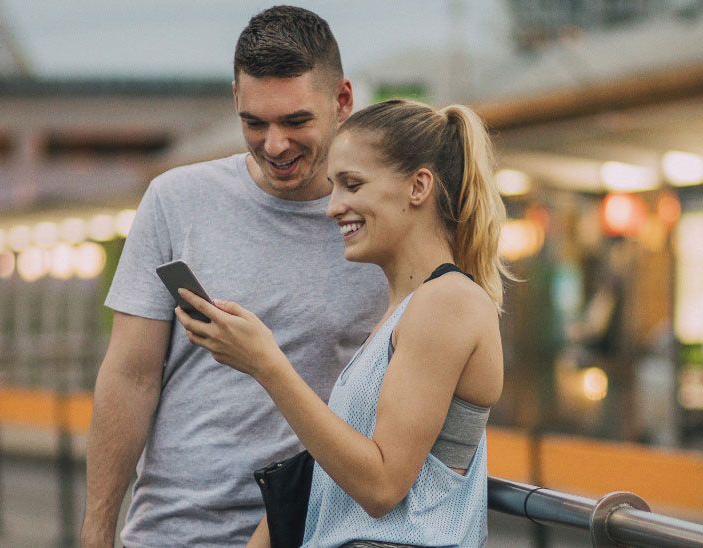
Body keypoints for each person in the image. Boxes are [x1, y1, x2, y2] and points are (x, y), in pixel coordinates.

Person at [80, 6, 387, 547]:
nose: (274, 144)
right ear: (235, 101)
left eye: (295, 121)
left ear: (342, 101)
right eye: (254, 123)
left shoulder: (381, 226)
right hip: (173, 532)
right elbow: (130, 377)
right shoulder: (175, 200)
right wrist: (97, 530)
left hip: (314, 532)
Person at [175, 99, 510, 547]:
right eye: (334, 188)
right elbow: (339, 473)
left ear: (418, 187)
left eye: (352, 185)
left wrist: (266, 364)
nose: (333, 207)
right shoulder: (405, 311)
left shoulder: (447, 302)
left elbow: (381, 486)